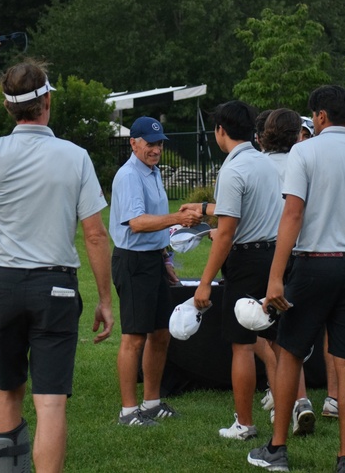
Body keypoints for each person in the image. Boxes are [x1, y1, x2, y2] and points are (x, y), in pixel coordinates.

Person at [0, 34, 114, 473]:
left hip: (2, 285)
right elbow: (95, 236)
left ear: (7, 106)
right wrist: (105, 299)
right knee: (50, 402)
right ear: (47, 101)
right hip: (55, 287)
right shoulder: (75, 157)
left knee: (7, 391)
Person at [247, 85, 345, 473]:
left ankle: (277, 450)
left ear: (320, 116)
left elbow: (292, 215)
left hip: (313, 264)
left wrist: (275, 277)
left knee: (290, 353)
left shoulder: (305, 151)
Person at [181, 101, 283, 440]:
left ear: (220, 130)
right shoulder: (266, 163)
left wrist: (205, 283)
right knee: (278, 343)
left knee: (242, 345)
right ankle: (286, 415)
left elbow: (226, 233)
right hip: (274, 258)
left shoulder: (232, 169)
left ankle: (244, 423)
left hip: (245, 262)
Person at [110, 116, 202, 427]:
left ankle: (151, 403)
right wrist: (178, 218)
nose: (156, 149)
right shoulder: (129, 176)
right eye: (150, 144)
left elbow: (154, 222)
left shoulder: (153, 171)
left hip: (152, 260)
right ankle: (128, 412)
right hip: (133, 262)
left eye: (160, 143)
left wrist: (165, 259)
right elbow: (137, 223)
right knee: (134, 337)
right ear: (133, 143)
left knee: (161, 333)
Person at [255, 108, 319, 433]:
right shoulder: (304, 162)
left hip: (268, 252)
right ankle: (300, 398)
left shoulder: (257, 165)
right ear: (297, 134)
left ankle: (284, 399)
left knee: (268, 336)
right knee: (289, 336)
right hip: (303, 252)